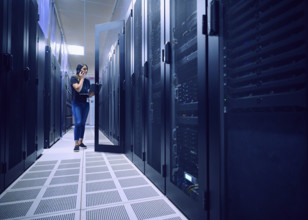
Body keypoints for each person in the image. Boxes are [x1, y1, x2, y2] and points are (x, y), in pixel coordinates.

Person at [70, 64, 94, 152]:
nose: (86, 71)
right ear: (79, 70)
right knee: (78, 122)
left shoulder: (87, 81)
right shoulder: (74, 78)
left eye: (86, 69)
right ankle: (76, 143)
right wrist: (82, 79)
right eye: (84, 69)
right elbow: (78, 89)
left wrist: (93, 92)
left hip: (85, 103)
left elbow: (88, 94)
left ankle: (81, 142)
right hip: (76, 103)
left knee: (83, 123)